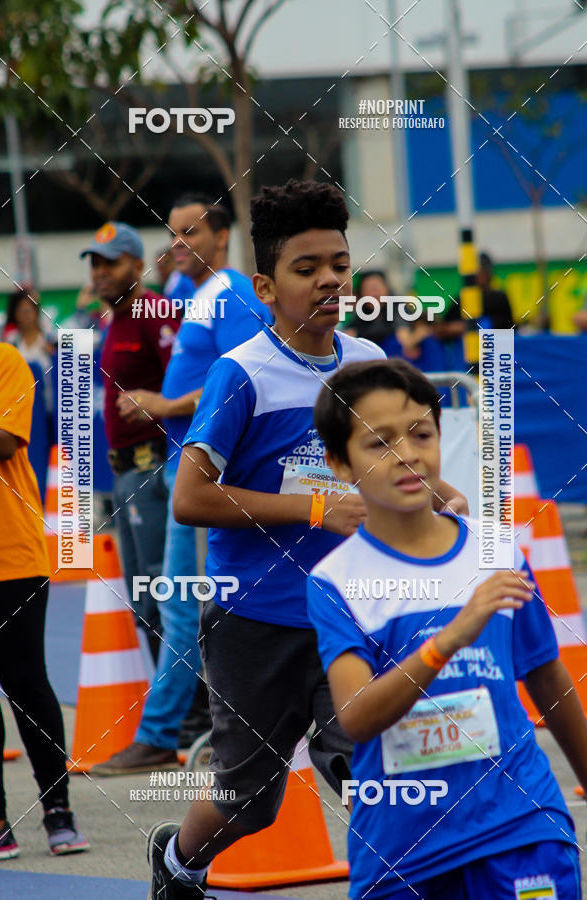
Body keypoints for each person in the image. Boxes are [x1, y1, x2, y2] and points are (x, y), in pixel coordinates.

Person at [145, 179, 468, 898]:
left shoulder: (365, 363)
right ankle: (178, 861)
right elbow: (191, 498)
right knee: (248, 800)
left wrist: (441, 494)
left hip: (351, 613)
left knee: (370, 766)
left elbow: (394, 457)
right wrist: (313, 509)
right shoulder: (241, 375)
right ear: (265, 286)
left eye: (340, 265)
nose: (329, 280)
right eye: (306, 267)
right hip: (254, 619)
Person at [307, 357, 587, 899]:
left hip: (521, 828)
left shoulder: (496, 549)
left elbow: (547, 676)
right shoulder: (336, 581)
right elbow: (356, 716)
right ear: (339, 464)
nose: (407, 454)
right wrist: (450, 638)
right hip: (403, 852)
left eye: (421, 434)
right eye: (379, 442)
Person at [93, 196, 271, 775]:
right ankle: (198, 728)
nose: (177, 243)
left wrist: (165, 404)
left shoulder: (232, 293)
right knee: (184, 603)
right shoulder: (191, 296)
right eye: (172, 233)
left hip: (201, 469)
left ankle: (166, 732)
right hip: (181, 466)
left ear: (222, 235)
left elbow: (248, 377)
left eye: (190, 232)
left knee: (182, 603)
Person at [0, 342, 89, 860]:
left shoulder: (1, 359)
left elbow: (4, 441)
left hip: (9, 557)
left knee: (26, 683)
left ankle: (58, 809)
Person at [80, 221, 180, 664]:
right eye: (95, 263)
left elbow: (189, 385)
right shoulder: (117, 318)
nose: (99, 272)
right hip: (128, 476)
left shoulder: (153, 311)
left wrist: (158, 405)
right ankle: (175, 700)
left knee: (161, 596)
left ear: (138, 266)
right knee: (146, 602)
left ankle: (190, 703)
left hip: (152, 472)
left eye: (111, 262)